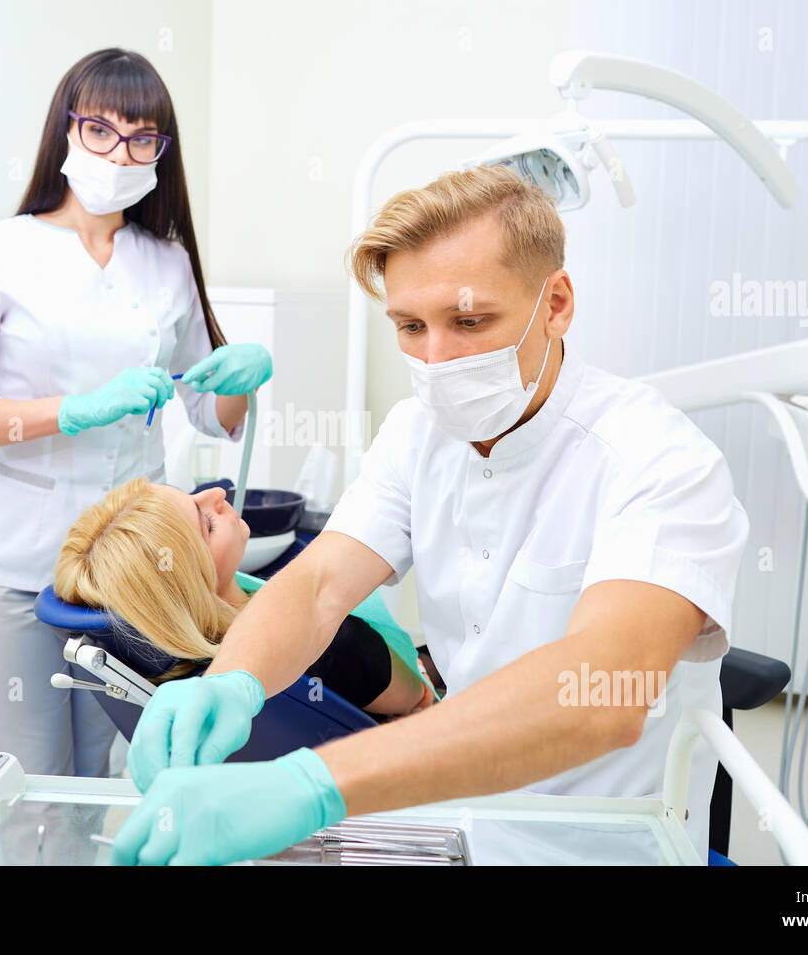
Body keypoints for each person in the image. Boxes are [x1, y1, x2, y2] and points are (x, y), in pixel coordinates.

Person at [109, 164, 750, 865]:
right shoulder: (417, 433)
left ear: (557, 304)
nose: (436, 358)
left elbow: (600, 695)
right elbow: (320, 584)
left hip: (604, 847)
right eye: (411, 326)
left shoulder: (657, 460)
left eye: (469, 321)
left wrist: (310, 784)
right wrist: (232, 680)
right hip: (461, 823)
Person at [0, 48, 272, 782]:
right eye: (103, 131)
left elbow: (211, 412)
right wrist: (73, 411)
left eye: (143, 138)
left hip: (135, 569)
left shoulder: (165, 260)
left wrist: (245, 372)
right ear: (67, 132)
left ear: (160, 153)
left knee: (108, 767)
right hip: (15, 563)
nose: (122, 152)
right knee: (33, 776)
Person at [53, 477, 437, 724]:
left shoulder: (184, 665)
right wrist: (420, 675)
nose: (217, 494)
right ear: (193, 585)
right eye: (206, 522)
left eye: (193, 495)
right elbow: (416, 699)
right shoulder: (331, 643)